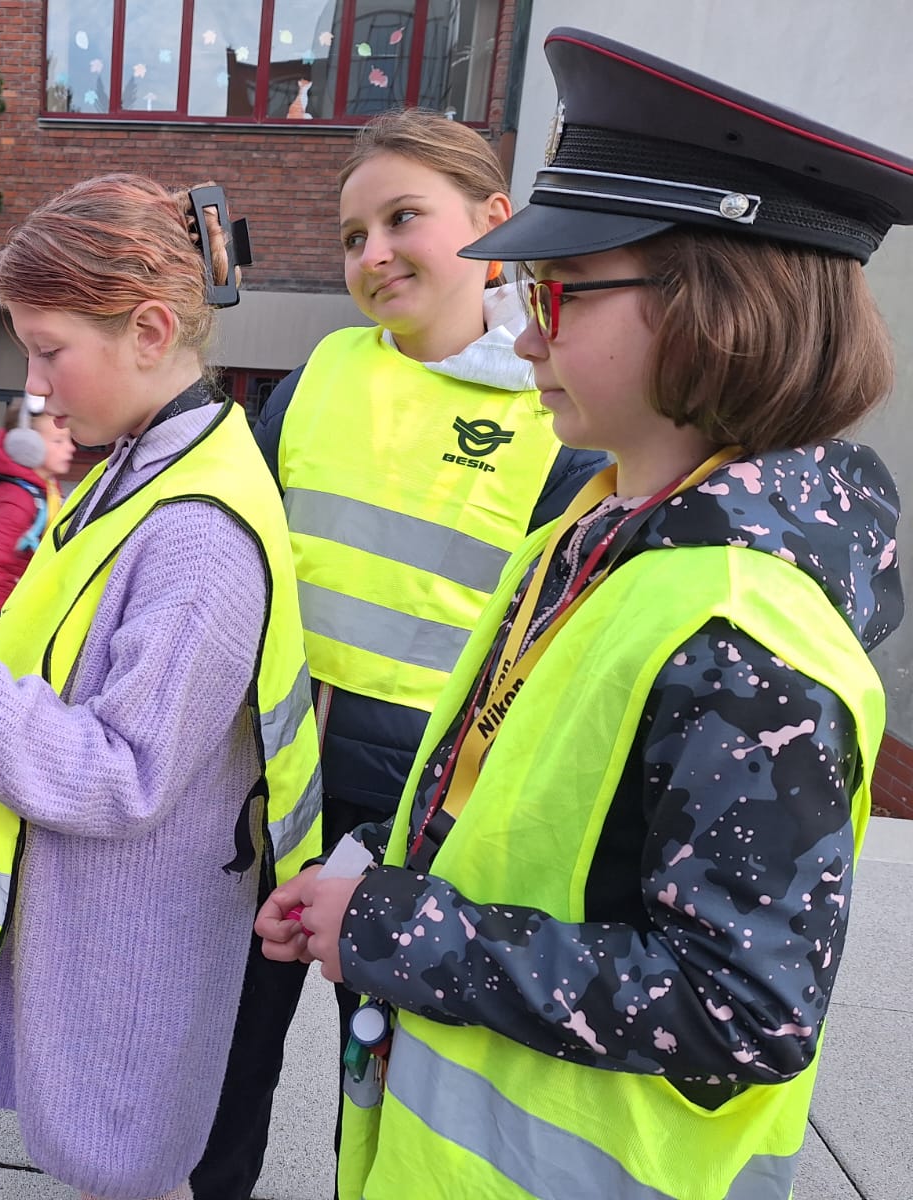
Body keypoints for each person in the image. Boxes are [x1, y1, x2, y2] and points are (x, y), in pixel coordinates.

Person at [262, 27, 911, 1200]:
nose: (526, 334)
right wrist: (375, 887)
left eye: (558, 294)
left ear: (716, 309)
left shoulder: (743, 633)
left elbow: (742, 1009)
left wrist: (396, 930)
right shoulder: (604, 523)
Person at [0, 173, 322, 1200]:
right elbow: (55, 653)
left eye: (49, 350)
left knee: (130, 1166)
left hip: (134, 939)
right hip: (108, 922)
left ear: (149, 330)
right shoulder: (144, 463)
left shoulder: (195, 536)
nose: (35, 384)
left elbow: (119, 772)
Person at [192, 108, 606, 1200]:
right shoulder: (321, 371)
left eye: (401, 219)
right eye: (351, 236)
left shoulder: (558, 413)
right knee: (226, 1046)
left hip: (427, 807)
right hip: (274, 774)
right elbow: (233, 551)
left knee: (382, 1073)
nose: (372, 253)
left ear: (494, 222)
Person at [0, 396, 76, 609]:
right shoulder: (15, 499)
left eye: (69, 439)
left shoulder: (44, 483)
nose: (70, 448)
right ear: (27, 444)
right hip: (3, 610)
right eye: (58, 441)